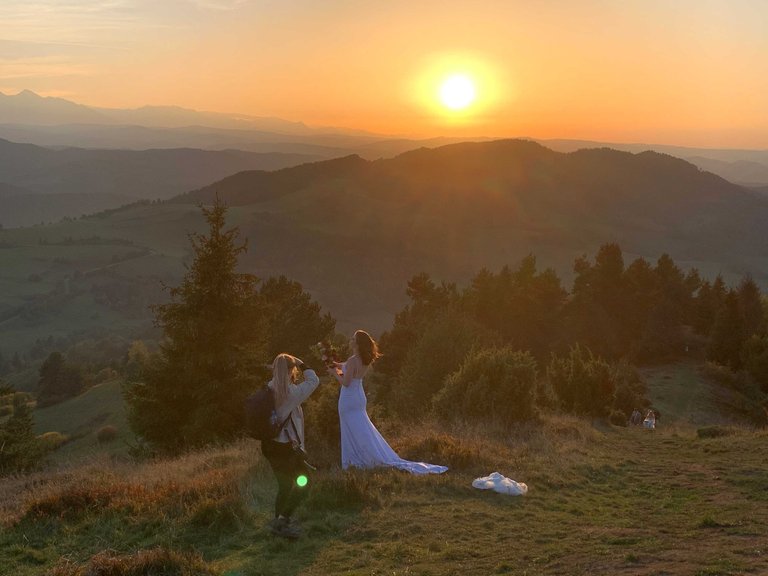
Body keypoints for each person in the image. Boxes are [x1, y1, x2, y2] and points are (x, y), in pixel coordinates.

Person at [330, 330, 448, 475]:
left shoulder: (353, 360)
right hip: (359, 396)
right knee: (362, 429)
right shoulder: (362, 359)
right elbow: (348, 368)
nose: (351, 340)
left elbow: (346, 382)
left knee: (352, 430)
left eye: (353, 338)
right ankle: (367, 456)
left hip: (349, 399)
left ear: (358, 343)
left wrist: (334, 373)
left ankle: (356, 460)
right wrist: (337, 364)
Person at [261, 353, 320, 539]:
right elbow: (313, 380)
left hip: (270, 447)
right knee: (305, 482)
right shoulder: (292, 393)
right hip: (286, 448)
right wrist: (302, 362)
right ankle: (283, 520)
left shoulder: (268, 389)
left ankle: (278, 525)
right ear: (290, 371)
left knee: (284, 486)